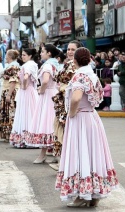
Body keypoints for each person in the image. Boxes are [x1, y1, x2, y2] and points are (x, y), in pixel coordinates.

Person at [55, 47, 118, 207]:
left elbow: (76, 98)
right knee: (92, 154)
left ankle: (82, 195)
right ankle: (94, 194)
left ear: (75, 60)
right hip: (91, 117)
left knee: (80, 153)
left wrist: (71, 113)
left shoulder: (80, 75)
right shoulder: (92, 74)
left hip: (80, 118)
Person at [24, 44, 59, 163]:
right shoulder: (55, 64)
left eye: (43, 51)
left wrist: (41, 90)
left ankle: (43, 154)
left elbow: (45, 81)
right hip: (54, 92)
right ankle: (54, 153)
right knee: (52, 123)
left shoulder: (48, 65)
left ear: (49, 53)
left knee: (46, 123)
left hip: (48, 94)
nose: (40, 53)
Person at [51, 40, 83, 170]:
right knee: (61, 130)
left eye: (73, 49)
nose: (69, 52)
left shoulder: (77, 66)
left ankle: (68, 164)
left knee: (67, 131)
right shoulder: (67, 64)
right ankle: (63, 163)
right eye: (68, 49)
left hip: (68, 100)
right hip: (61, 100)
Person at [10, 48, 38, 148]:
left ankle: (24, 138)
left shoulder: (27, 65)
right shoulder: (34, 64)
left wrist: (24, 85)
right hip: (31, 91)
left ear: (30, 56)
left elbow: (26, 77)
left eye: (24, 55)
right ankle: (31, 137)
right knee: (30, 113)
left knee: (25, 113)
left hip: (26, 91)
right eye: (22, 55)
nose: (22, 56)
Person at [0, 50, 21, 142]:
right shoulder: (12, 65)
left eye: (6, 55)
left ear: (10, 56)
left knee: (10, 112)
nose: (5, 57)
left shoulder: (13, 66)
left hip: (10, 90)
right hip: (7, 89)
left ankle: (11, 133)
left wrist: (9, 94)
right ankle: (9, 133)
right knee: (8, 111)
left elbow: (13, 81)